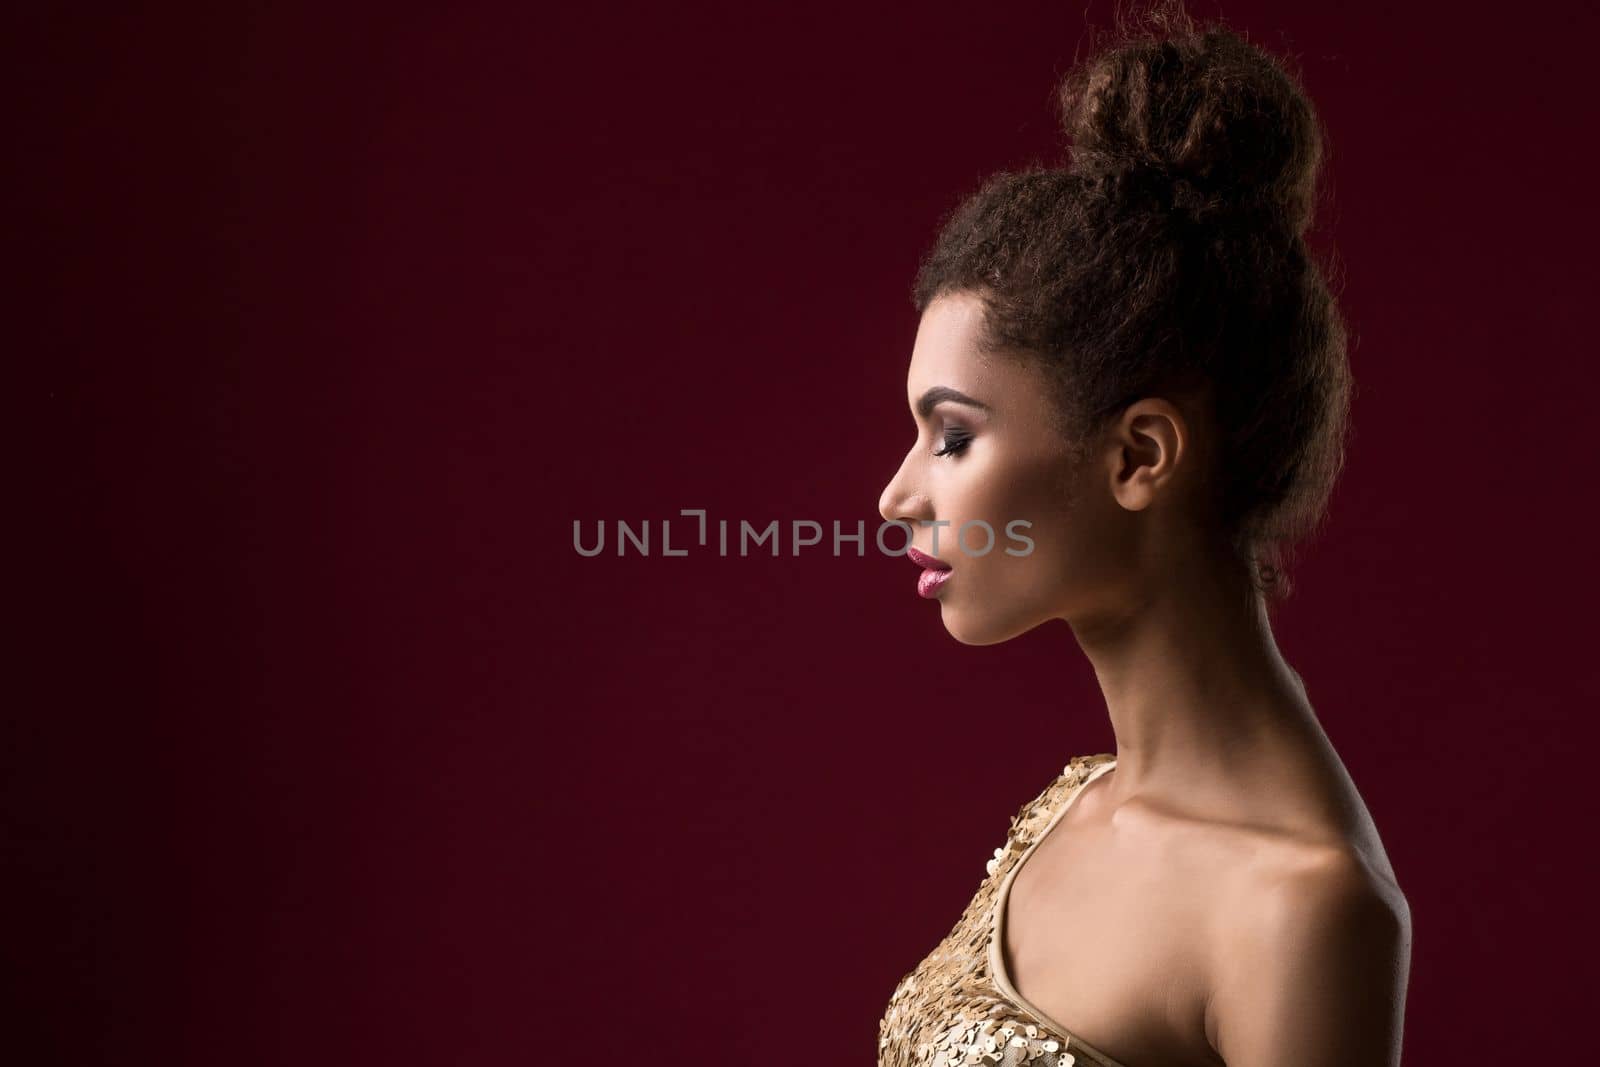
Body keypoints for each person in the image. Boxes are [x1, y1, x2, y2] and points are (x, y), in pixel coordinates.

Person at [873, 5, 1411, 1066]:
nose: (895, 497)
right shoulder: (1070, 804)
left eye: (950, 436)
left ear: (1138, 457)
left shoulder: (1299, 904)